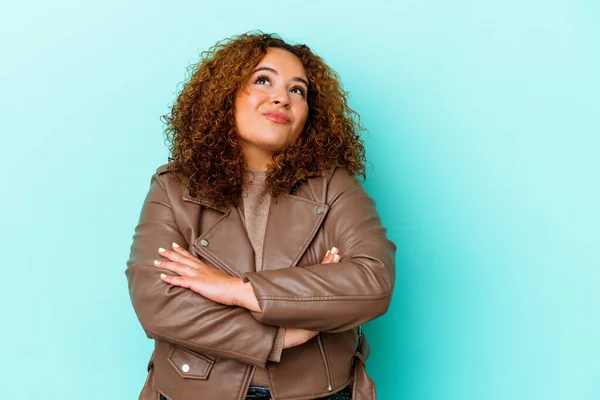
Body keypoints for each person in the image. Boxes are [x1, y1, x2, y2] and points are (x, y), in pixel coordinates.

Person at [126, 32, 396, 400]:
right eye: (263, 80)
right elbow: (159, 304)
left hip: (317, 392)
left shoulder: (336, 187)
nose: (281, 97)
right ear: (226, 96)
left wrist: (236, 290)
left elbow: (372, 283)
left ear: (309, 115)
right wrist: (283, 334)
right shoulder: (173, 188)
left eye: (298, 90)